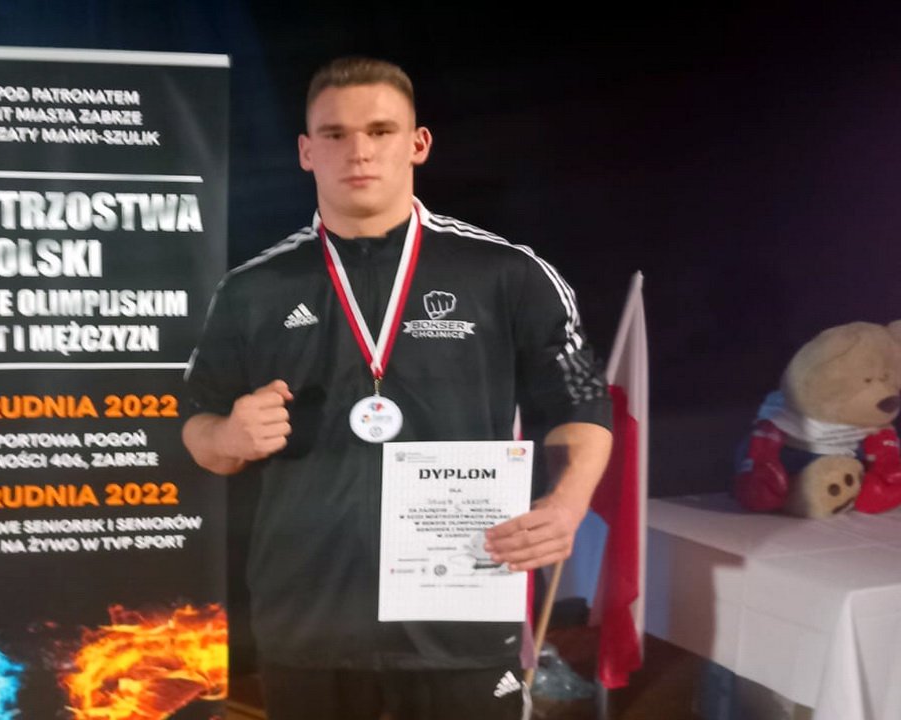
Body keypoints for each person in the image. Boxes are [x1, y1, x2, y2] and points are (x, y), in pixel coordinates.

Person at [182, 57, 613, 720]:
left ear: (418, 143)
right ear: (306, 151)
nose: (358, 151)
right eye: (334, 134)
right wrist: (229, 436)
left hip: (462, 611)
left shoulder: (506, 273)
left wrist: (567, 505)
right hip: (308, 620)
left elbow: (581, 401)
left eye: (380, 131)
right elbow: (198, 427)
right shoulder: (251, 290)